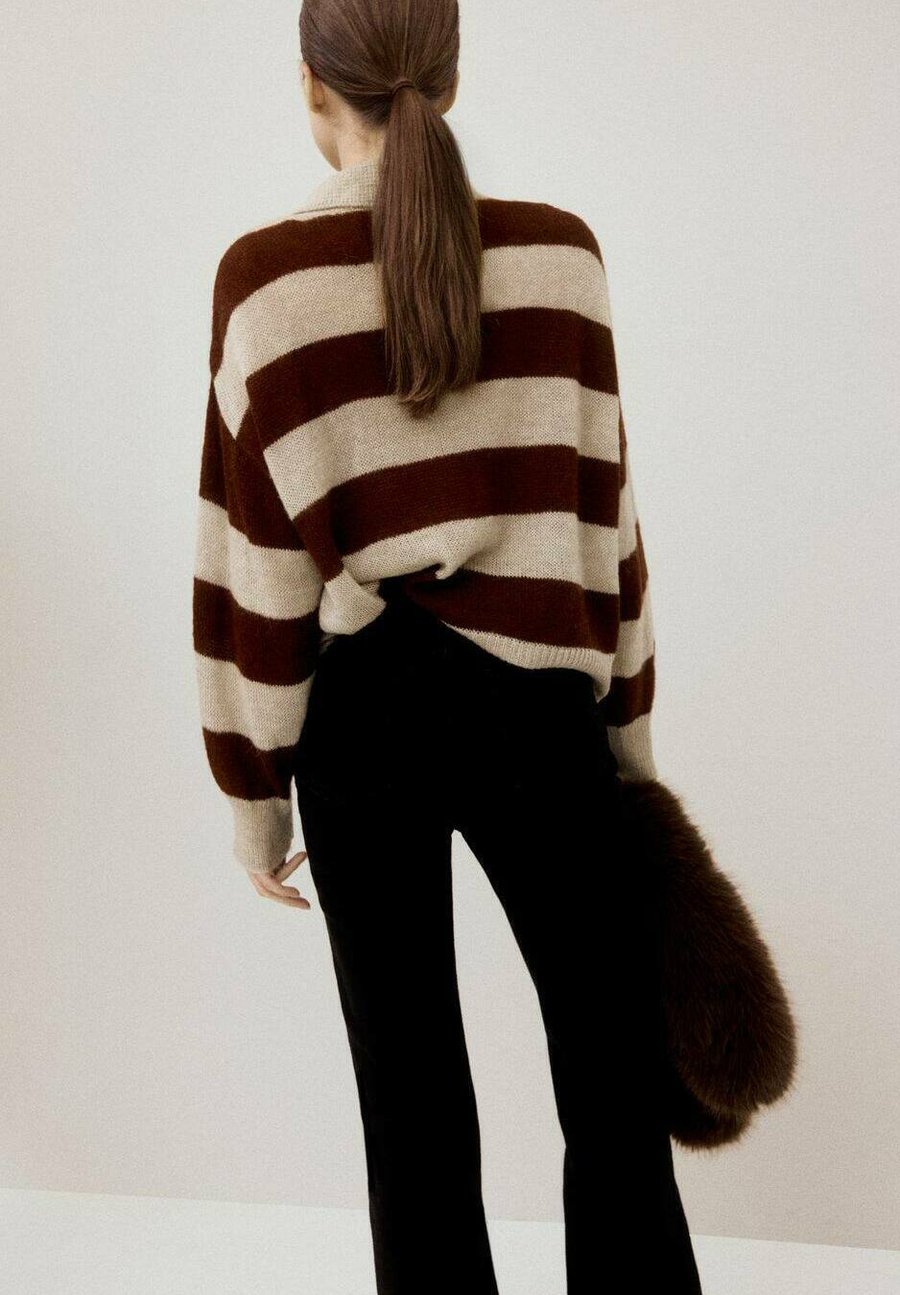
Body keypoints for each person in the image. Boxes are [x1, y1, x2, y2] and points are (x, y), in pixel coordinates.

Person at [192, 1, 704, 1290]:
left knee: (409, 1101)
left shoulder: (264, 284)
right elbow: (607, 529)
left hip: (360, 714)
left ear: (311, 85)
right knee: (613, 1077)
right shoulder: (562, 259)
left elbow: (253, 565)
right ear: (453, 76)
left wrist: (255, 796)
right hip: (541, 705)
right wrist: (629, 751)